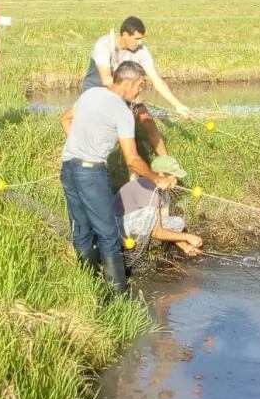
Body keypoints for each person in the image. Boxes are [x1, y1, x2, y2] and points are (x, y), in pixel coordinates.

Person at [59, 61, 177, 295]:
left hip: (68, 168)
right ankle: (119, 298)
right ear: (129, 82)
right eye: (141, 86)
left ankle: (89, 288)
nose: (140, 92)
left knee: (81, 230)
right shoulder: (122, 112)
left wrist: (82, 145)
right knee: (109, 234)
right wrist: (156, 179)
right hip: (90, 173)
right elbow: (132, 160)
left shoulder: (91, 94)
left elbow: (64, 119)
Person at [82, 16, 191, 156]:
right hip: (98, 91)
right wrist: (130, 98)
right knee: (112, 128)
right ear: (125, 35)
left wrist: (177, 105)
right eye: (136, 39)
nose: (140, 43)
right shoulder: (104, 44)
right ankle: (116, 164)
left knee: (148, 121)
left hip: (126, 92)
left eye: (141, 39)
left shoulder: (141, 51)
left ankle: (167, 166)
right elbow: (106, 80)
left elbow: (157, 81)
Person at [114, 156, 204, 257]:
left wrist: (185, 247)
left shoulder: (162, 192)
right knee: (151, 225)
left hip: (137, 225)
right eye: (173, 178)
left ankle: (149, 247)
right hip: (118, 227)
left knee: (177, 223)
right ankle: (129, 249)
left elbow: (163, 224)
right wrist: (187, 237)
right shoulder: (148, 189)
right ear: (161, 175)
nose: (176, 182)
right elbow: (156, 232)